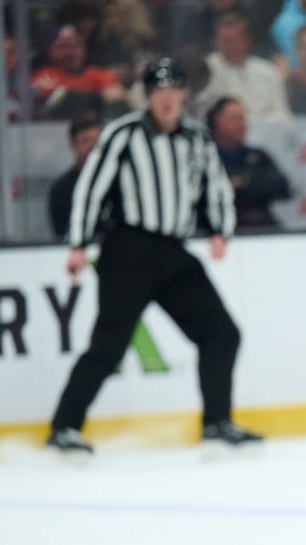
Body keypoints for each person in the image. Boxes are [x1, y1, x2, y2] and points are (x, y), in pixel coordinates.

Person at [46, 58, 262, 454]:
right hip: (128, 249)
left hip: (173, 251)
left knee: (221, 333)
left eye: (172, 91)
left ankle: (217, 422)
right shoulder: (123, 134)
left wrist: (219, 230)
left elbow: (215, 186)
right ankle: (64, 428)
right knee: (108, 345)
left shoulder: (196, 138)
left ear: (183, 94)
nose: (166, 99)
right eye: (158, 92)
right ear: (147, 96)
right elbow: (92, 188)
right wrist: (78, 244)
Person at [207, 96, 292, 228]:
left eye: (243, 118)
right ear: (217, 122)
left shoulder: (258, 156)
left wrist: (242, 182)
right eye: (235, 118)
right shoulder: (205, 159)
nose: (241, 124)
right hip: (217, 230)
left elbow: (283, 189)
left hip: (261, 226)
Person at [196, 11, 291, 121]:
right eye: (223, 40)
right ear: (215, 41)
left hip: (264, 133)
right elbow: (201, 111)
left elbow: (282, 113)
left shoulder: (268, 71)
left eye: (232, 40)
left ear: (247, 41)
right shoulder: (204, 69)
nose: (227, 45)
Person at [48, 111, 103, 238]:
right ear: (73, 145)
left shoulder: (118, 182)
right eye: (85, 141)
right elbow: (61, 232)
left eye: (97, 141)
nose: (92, 147)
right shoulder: (61, 189)